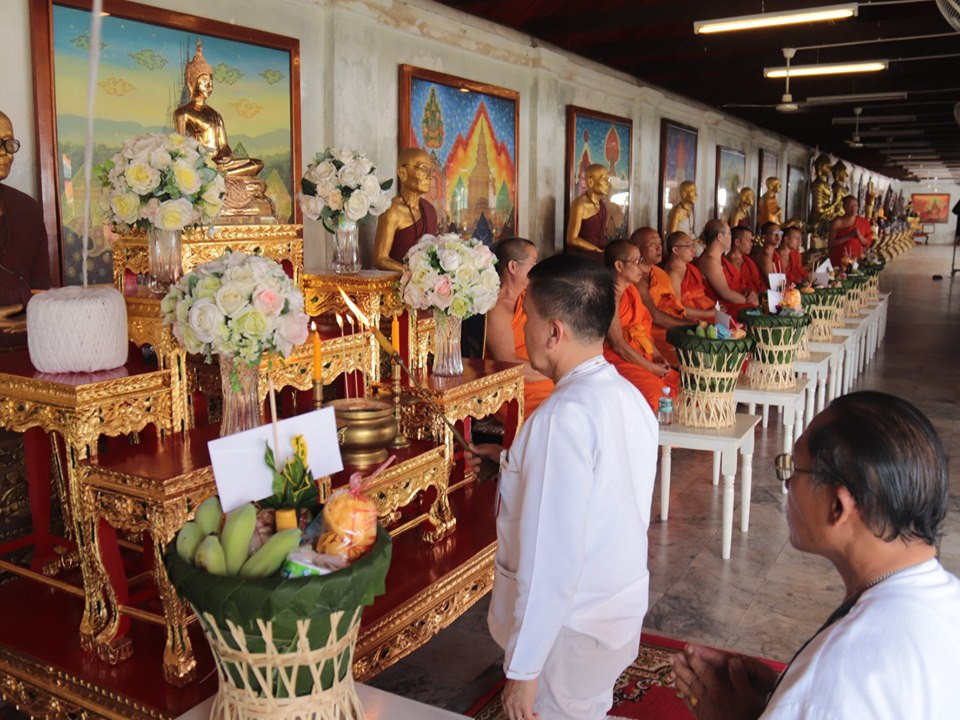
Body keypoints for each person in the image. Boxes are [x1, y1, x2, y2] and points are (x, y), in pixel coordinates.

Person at [671, 391, 960, 719]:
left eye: (796, 468)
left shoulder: (835, 677)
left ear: (838, 506)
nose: (788, 483)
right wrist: (782, 692)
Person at [469, 254, 657, 720]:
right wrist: (512, 462)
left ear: (554, 332)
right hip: (614, 605)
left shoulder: (560, 418)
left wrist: (524, 669)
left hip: (568, 628)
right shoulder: (626, 395)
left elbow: (550, 560)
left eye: (527, 318)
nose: (524, 328)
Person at [603, 240, 679, 410]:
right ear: (619, 265)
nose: (641, 267)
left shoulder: (631, 291)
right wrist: (651, 368)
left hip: (641, 353)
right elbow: (618, 345)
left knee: (679, 386)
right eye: (636, 262)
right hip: (618, 359)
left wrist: (657, 355)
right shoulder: (608, 296)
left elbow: (640, 330)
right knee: (657, 396)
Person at [484, 237, 554, 416]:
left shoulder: (530, 297)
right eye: (533, 263)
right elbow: (508, 365)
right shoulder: (497, 309)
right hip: (518, 390)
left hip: (544, 376)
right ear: (513, 266)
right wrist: (555, 372)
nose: (537, 269)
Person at [173, 40, 263, 177]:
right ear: (192, 83)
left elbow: (224, 146)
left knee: (256, 164)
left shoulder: (215, 115)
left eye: (211, 82)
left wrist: (226, 156)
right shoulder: (183, 113)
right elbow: (180, 148)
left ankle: (221, 175)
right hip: (200, 165)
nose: (209, 86)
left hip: (221, 165)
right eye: (204, 81)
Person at [0, 111, 51, 310]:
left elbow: (41, 285)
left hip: (26, 332)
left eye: (9, 144)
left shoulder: (27, 210)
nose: (5, 153)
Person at [374, 147, 439, 271]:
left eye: (431, 170)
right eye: (423, 169)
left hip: (426, 286)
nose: (430, 176)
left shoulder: (430, 210)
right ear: (402, 173)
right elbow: (380, 259)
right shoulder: (391, 211)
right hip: (397, 285)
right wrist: (410, 274)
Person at [632, 227, 688, 366]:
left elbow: (676, 307)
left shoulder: (660, 274)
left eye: (660, 243)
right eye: (652, 244)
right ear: (637, 248)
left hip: (670, 326)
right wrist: (692, 325)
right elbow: (655, 317)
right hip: (652, 333)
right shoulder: (633, 278)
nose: (659, 248)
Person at [696, 219, 758, 318]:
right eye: (729, 234)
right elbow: (726, 294)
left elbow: (738, 284)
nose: (731, 237)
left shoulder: (720, 259)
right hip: (721, 307)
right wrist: (748, 300)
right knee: (754, 314)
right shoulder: (709, 261)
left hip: (734, 301)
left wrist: (750, 294)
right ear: (719, 237)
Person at [565, 164, 610, 259]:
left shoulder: (601, 204)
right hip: (584, 258)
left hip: (600, 254)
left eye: (608, 180)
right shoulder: (580, 205)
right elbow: (572, 239)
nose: (608, 184)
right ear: (590, 182)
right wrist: (598, 251)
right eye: (604, 179)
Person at [665, 231, 715, 313]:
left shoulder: (689, 267)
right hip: (693, 317)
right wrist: (709, 314)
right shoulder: (673, 274)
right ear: (675, 250)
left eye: (692, 245)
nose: (693, 250)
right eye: (688, 246)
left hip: (706, 308)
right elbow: (677, 308)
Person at [827, 196, 873, 267]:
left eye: (855, 205)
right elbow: (831, 243)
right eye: (850, 206)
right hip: (840, 261)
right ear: (844, 207)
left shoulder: (864, 222)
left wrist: (859, 236)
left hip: (857, 261)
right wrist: (849, 236)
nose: (853, 209)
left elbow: (867, 243)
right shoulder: (837, 222)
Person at [728, 226, 765, 295]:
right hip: (736, 299)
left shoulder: (749, 262)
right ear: (737, 242)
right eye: (748, 241)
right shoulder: (725, 262)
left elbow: (758, 283)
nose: (751, 244)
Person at [752, 222, 784, 289]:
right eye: (774, 233)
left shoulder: (775, 254)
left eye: (780, 233)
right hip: (766, 294)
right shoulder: (765, 255)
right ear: (764, 236)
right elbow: (773, 283)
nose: (778, 236)